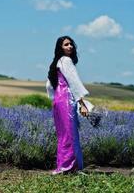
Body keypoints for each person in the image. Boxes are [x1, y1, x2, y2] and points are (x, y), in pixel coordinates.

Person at [46, 36, 90, 175]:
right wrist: (82, 104)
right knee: (71, 133)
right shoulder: (66, 60)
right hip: (66, 100)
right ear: (61, 47)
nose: (70, 46)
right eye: (66, 44)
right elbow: (74, 82)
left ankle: (63, 166)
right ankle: (72, 167)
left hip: (58, 101)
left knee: (63, 134)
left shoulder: (56, 62)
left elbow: (49, 85)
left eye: (71, 44)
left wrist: (56, 97)